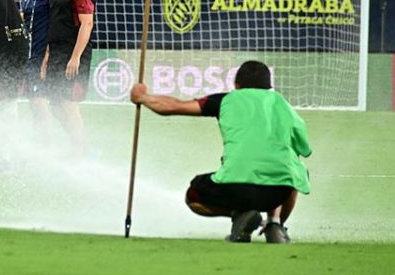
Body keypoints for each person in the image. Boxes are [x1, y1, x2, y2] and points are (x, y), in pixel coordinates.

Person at [129, 60, 311, 244]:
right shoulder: (284, 105)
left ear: (236, 84)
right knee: (294, 167)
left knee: (193, 196)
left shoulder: (225, 100)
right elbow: (303, 148)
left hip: (234, 187)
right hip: (276, 195)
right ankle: (275, 225)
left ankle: (240, 215)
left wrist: (143, 97)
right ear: (269, 86)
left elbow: (173, 106)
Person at [42, 0, 96, 154]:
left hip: (72, 54)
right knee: (55, 104)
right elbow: (55, 22)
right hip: (56, 52)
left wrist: (75, 58)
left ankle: (81, 153)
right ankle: (80, 145)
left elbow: (87, 23)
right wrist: (47, 55)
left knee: (68, 104)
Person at [21, 0, 55, 124]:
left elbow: (56, 30)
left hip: (42, 59)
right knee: (34, 105)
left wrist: (46, 62)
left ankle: (48, 148)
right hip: (28, 57)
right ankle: (42, 144)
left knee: (41, 104)